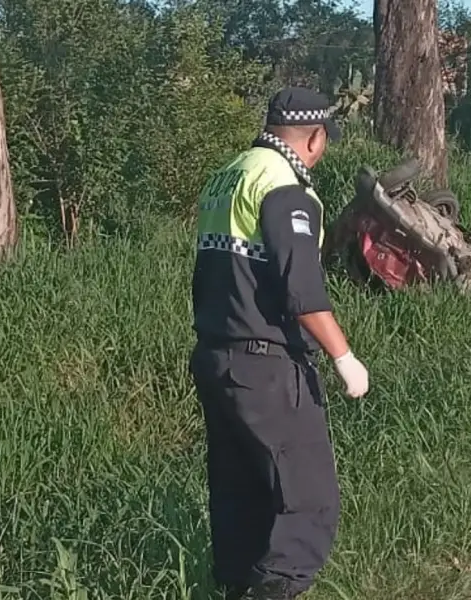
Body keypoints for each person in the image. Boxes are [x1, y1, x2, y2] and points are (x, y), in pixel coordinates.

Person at [188, 86, 370, 600]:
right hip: (266, 366)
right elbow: (302, 292)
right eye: (325, 140)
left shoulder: (229, 175)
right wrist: (344, 358)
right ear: (314, 138)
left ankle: (234, 589)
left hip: (216, 356)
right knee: (308, 502)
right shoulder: (286, 188)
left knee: (240, 494)